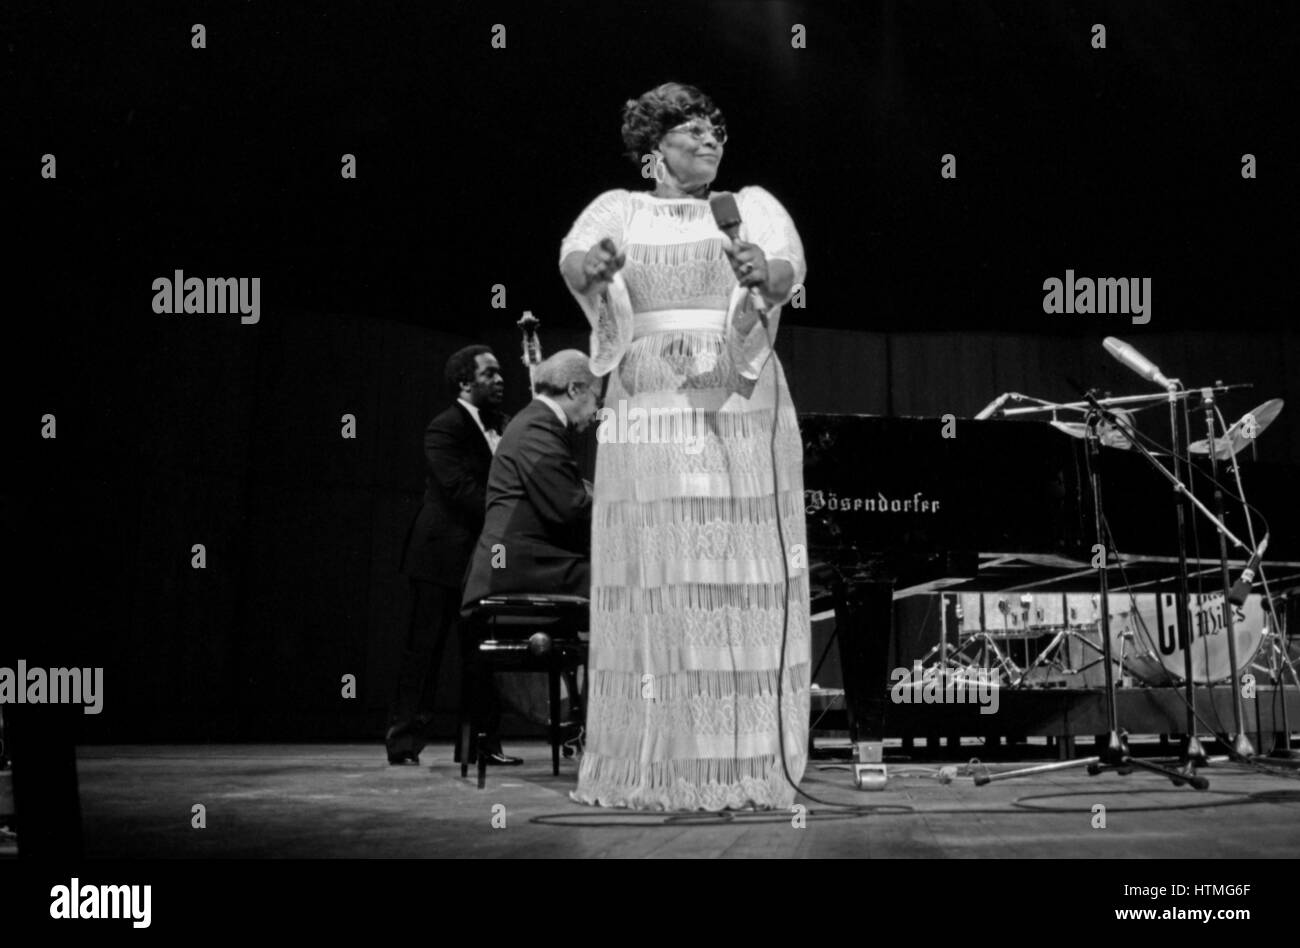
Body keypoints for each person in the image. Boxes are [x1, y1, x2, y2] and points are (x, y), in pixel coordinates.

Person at [559, 82, 810, 810]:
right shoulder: (620, 208)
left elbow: (788, 266)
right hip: (647, 398)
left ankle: (743, 761)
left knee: (735, 568)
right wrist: (594, 269)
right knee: (658, 567)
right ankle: (659, 760)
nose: (710, 141)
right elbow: (575, 261)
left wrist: (767, 272)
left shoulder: (751, 204)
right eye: (692, 131)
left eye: (716, 132)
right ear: (652, 151)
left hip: (735, 392)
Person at [386, 345, 521, 766]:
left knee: (481, 652)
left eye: (500, 373)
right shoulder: (444, 427)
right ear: (465, 383)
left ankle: (481, 743)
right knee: (424, 652)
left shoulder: (505, 426)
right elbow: (460, 489)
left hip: (480, 557)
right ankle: (404, 743)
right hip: (441, 556)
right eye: (489, 374)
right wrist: (511, 517)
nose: (500, 380)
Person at [461, 349, 599, 608]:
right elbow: (569, 508)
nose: (596, 411)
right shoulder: (538, 426)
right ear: (575, 389)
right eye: (596, 399)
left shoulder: (538, 422)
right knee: (623, 584)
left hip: (527, 562)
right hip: (515, 569)